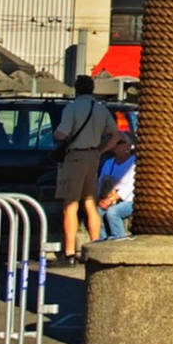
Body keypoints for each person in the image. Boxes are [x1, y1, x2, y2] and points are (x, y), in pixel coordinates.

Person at [53, 74, 114, 262]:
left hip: (76, 156)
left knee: (70, 204)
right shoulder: (101, 109)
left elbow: (62, 134)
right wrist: (102, 150)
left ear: (76, 89)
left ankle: (69, 251)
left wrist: (55, 134)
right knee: (90, 203)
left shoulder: (72, 108)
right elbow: (116, 134)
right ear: (93, 89)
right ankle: (94, 246)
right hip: (94, 156)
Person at [96, 133, 137, 239]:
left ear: (128, 146)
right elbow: (100, 182)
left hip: (129, 200)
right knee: (96, 211)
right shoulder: (108, 163)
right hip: (109, 197)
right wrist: (101, 198)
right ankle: (103, 240)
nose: (115, 145)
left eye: (119, 143)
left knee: (113, 212)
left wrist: (112, 199)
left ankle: (119, 239)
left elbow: (130, 187)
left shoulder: (134, 163)